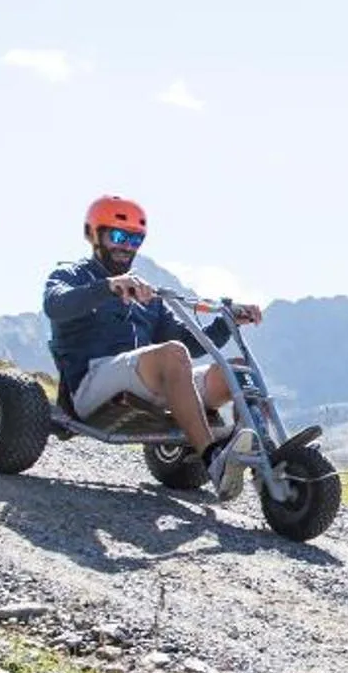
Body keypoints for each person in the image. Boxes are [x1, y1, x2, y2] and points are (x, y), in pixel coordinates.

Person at [42, 194, 259, 495]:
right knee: (172, 354)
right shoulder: (71, 275)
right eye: (118, 236)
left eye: (135, 240)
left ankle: (266, 465)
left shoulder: (146, 293)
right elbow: (56, 305)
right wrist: (108, 287)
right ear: (94, 235)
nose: (126, 247)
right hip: (92, 385)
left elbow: (190, 346)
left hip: (147, 382)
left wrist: (228, 322)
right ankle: (214, 461)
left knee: (237, 371)